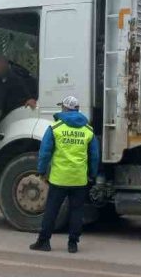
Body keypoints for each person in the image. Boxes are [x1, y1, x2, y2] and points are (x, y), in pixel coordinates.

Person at [30, 96, 100, 254]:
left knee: (52, 210)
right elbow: (94, 156)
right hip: (79, 179)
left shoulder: (55, 128)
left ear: (64, 108)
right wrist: (92, 174)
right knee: (77, 211)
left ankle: (44, 242)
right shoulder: (88, 130)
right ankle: (73, 244)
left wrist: (41, 170)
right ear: (77, 109)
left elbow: (45, 152)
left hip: (59, 179)